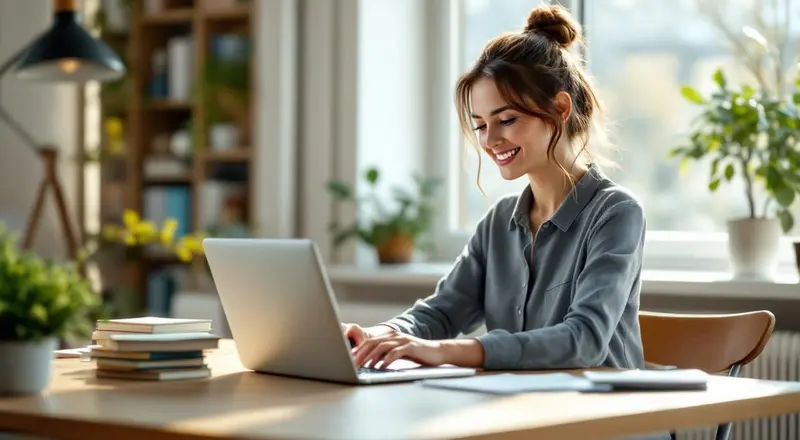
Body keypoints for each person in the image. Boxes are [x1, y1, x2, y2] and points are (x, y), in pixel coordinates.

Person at [343, 4, 647, 373]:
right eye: (481, 125)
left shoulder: (616, 213)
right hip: (526, 416)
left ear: (560, 109)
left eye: (507, 120)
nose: (492, 140)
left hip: (608, 423)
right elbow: (440, 312)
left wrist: (445, 351)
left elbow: (583, 340)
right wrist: (378, 336)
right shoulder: (499, 222)